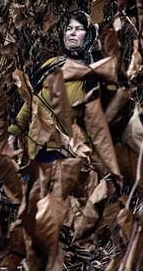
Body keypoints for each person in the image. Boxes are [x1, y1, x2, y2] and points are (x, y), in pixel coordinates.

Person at [8, 11, 100, 162]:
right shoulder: (51, 65)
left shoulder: (93, 76)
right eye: (69, 28)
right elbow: (32, 102)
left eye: (79, 29)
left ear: (89, 35)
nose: (72, 33)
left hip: (70, 156)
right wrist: (13, 134)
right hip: (39, 150)